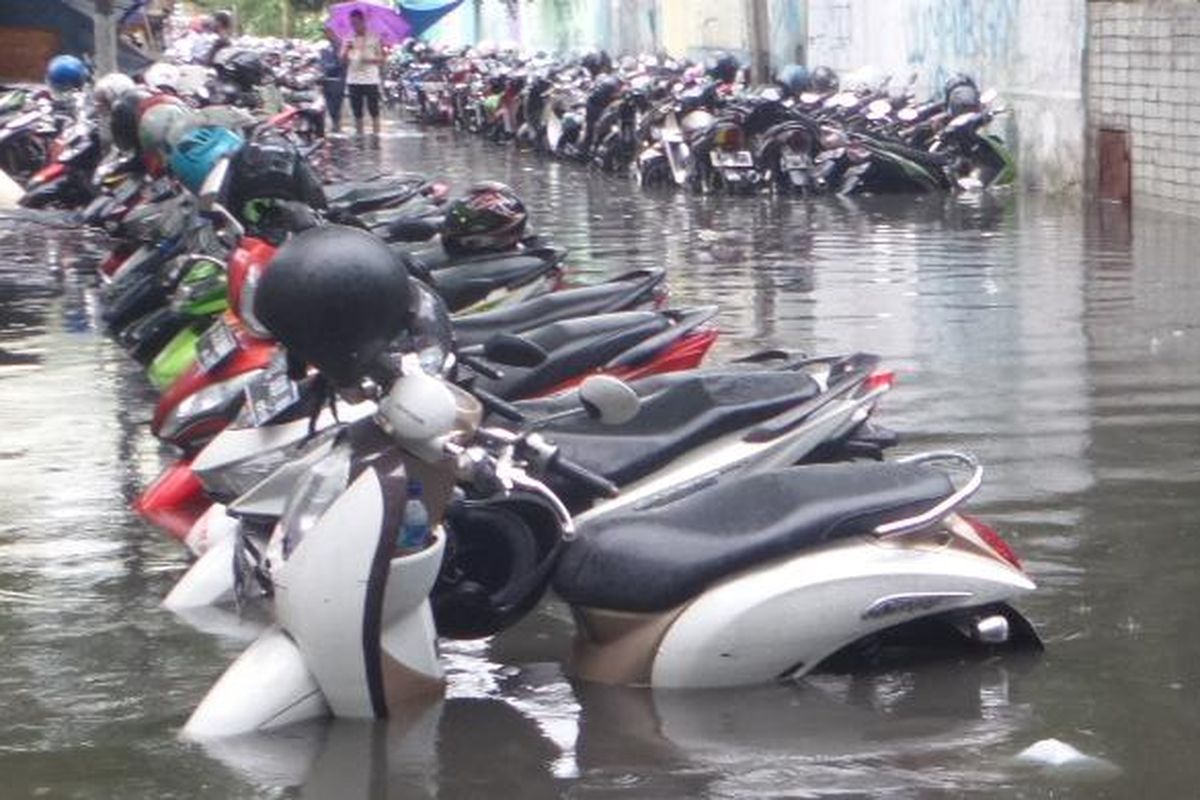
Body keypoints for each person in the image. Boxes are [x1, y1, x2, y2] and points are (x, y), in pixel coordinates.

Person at [340, 9, 385, 136]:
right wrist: (346, 50)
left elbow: (382, 59)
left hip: (371, 79)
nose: (354, 26)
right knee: (357, 110)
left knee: (373, 109)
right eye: (352, 23)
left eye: (356, 23)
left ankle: (376, 134)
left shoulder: (374, 37)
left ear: (363, 21)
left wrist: (370, 60)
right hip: (353, 79)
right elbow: (342, 60)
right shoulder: (348, 38)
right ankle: (359, 134)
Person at [319, 27, 346, 133]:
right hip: (327, 79)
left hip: (337, 79)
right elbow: (322, 62)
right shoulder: (326, 47)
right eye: (325, 32)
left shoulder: (339, 45)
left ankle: (336, 125)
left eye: (327, 32)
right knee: (330, 104)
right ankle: (335, 125)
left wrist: (328, 67)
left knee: (335, 105)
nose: (326, 34)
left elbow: (340, 63)